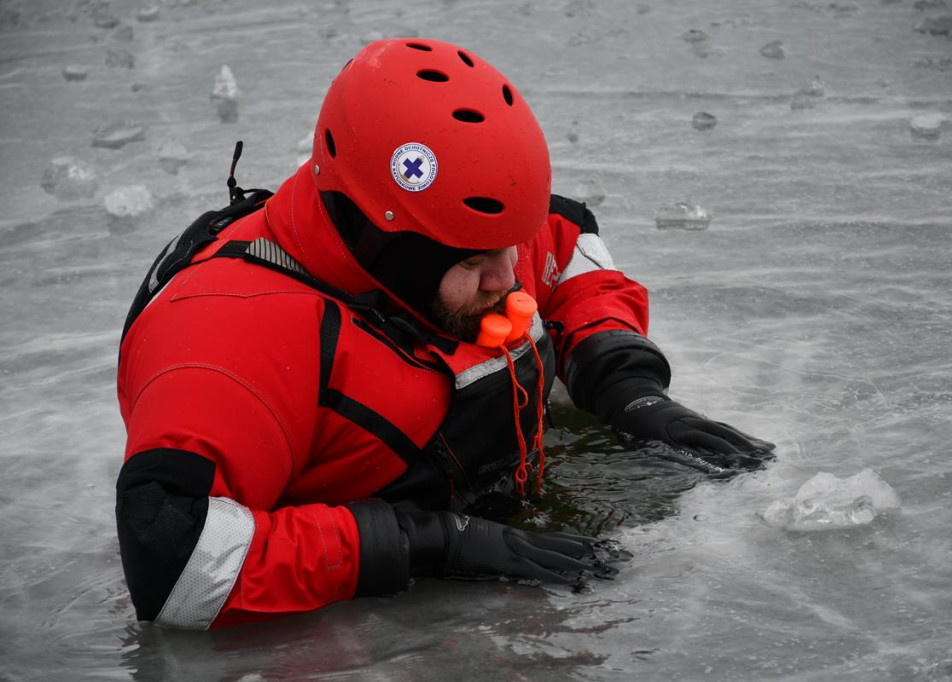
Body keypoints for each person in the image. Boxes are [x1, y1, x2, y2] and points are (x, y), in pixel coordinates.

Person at [114, 38, 775, 630]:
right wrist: (430, 544)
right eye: (473, 263)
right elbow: (173, 561)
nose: (507, 277)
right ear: (385, 245)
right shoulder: (230, 338)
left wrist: (621, 379)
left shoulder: (461, 233)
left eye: (507, 246)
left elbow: (570, 249)